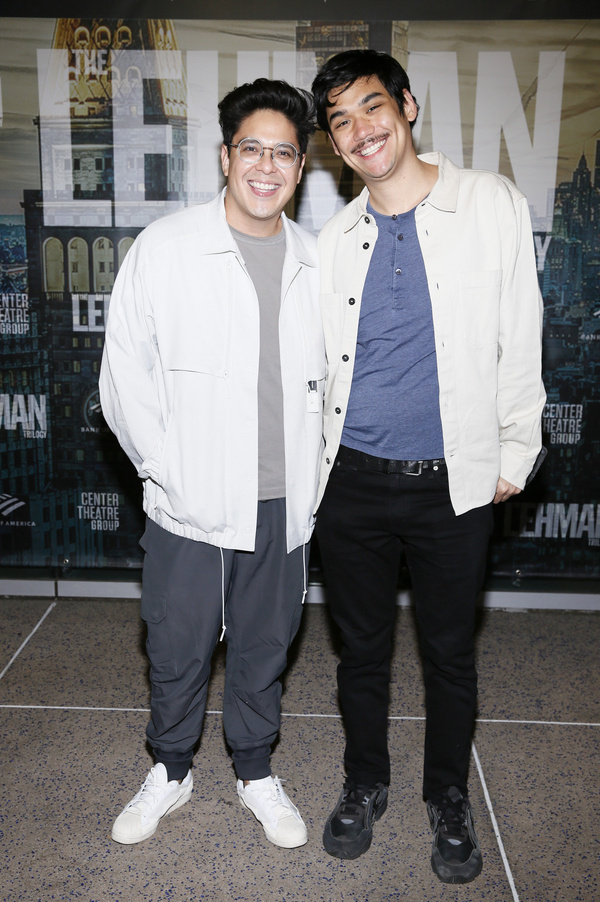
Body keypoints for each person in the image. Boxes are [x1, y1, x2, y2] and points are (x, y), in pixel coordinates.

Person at [311, 49, 545, 882]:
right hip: (353, 483)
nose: (361, 129)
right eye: (340, 120)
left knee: (450, 654)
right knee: (361, 652)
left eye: (371, 107)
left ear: (407, 106)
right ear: (334, 145)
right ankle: (363, 782)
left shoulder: (489, 203)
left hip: (456, 480)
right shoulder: (333, 240)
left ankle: (447, 794)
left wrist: (517, 446)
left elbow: (522, 330)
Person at [99, 78, 325, 849]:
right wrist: (168, 470)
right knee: (177, 641)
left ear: (301, 167)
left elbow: (335, 387)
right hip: (189, 499)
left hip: (282, 500)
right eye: (252, 148)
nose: (267, 165)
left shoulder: (315, 261)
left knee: (266, 644)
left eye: (284, 153)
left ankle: (256, 770)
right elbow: (124, 374)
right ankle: (171, 768)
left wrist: (317, 482)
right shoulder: (165, 248)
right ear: (226, 157)